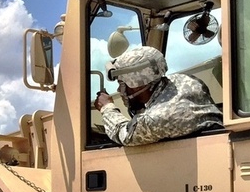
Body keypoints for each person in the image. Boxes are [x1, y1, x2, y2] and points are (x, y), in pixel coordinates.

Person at [93, 45, 222, 146]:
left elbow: (123, 134)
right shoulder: (188, 81)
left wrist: (107, 107)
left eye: (121, 83)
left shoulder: (156, 118)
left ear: (136, 84)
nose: (119, 90)